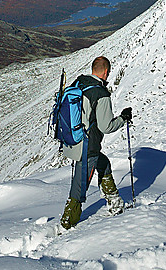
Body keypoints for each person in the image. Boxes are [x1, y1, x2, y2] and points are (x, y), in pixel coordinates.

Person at [59, 56, 133, 230]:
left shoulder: (79, 83)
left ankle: (115, 203)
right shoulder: (101, 94)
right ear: (106, 72)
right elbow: (106, 126)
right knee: (80, 185)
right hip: (88, 147)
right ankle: (67, 224)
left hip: (73, 140)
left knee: (104, 164)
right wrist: (123, 119)